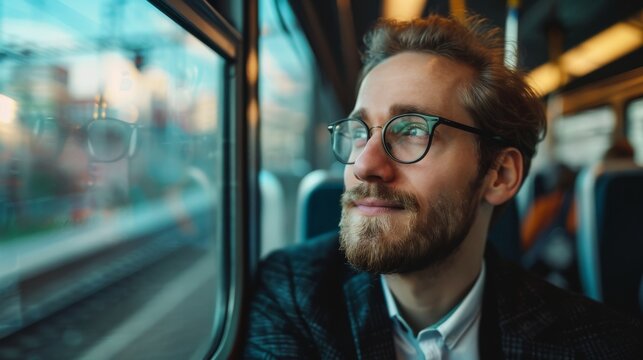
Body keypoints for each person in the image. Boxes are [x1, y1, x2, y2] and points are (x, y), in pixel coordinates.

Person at [242, 14, 643, 359]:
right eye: (359, 132)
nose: (364, 165)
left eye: (413, 130)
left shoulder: (602, 344)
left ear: (500, 175)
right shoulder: (292, 294)